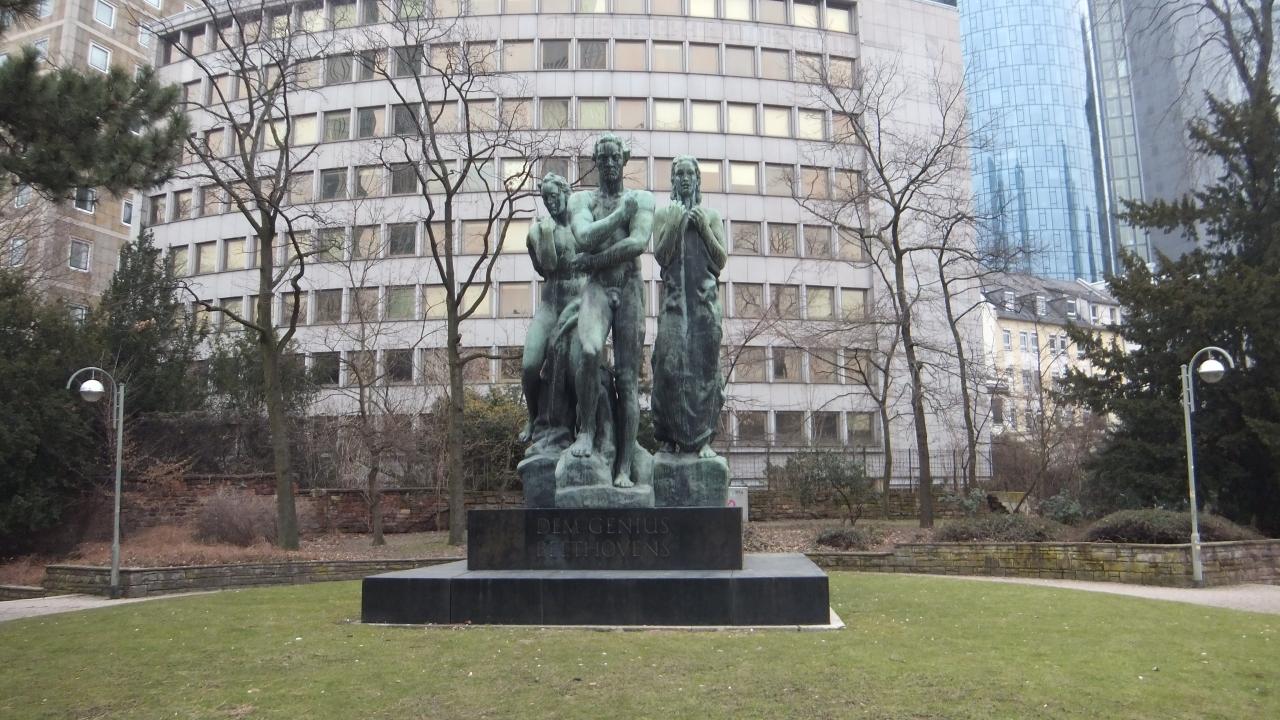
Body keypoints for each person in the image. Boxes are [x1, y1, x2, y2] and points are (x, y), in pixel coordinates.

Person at [565, 134, 655, 488]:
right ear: (595, 162)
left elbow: (637, 243)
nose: (609, 164)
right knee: (589, 352)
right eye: (603, 158)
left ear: (624, 159)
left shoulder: (642, 198)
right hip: (598, 288)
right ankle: (586, 430)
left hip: (629, 288)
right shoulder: (582, 200)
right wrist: (620, 215)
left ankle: (624, 467)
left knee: (628, 380)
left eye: (615, 157)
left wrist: (592, 261)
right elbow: (583, 237)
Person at [651, 155, 727, 458]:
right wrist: (675, 224)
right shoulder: (664, 215)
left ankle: (703, 439)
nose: (684, 179)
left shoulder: (711, 216)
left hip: (704, 306)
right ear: (673, 180)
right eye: (679, 174)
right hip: (674, 305)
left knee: (705, 372)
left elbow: (721, 259)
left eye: (689, 174)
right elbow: (661, 256)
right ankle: (668, 438)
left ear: (697, 179)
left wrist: (703, 227)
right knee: (668, 367)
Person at [519, 173, 580, 443]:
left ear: (565, 193)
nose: (550, 203)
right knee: (530, 365)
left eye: (553, 196)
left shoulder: (582, 226)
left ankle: (583, 427)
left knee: (577, 368)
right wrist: (545, 235)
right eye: (545, 199)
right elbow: (548, 267)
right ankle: (533, 418)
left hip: (579, 305)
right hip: (550, 305)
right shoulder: (537, 231)